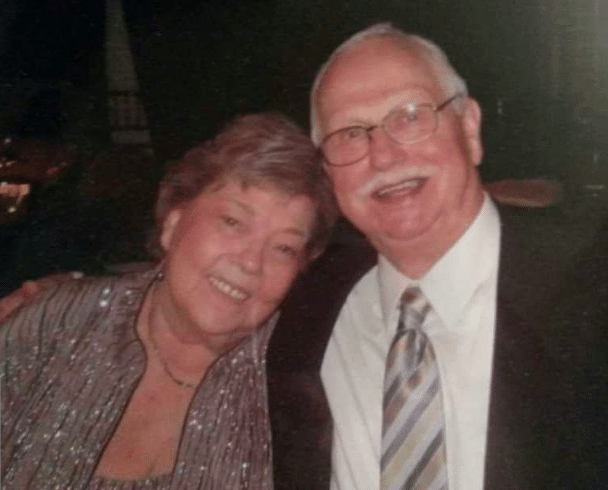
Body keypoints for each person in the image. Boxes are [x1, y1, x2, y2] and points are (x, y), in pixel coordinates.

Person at [266, 23, 608, 489]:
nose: (384, 157)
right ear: (327, 172)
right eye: (349, 133)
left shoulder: (590, 288)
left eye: (410, 116)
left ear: (470, 128)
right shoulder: (306, 306)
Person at [0, 112, 337, 489]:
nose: (250, 262)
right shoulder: (55, 323)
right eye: (233, 221)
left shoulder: (297, 406)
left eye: (284, 248)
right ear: (173, 225)